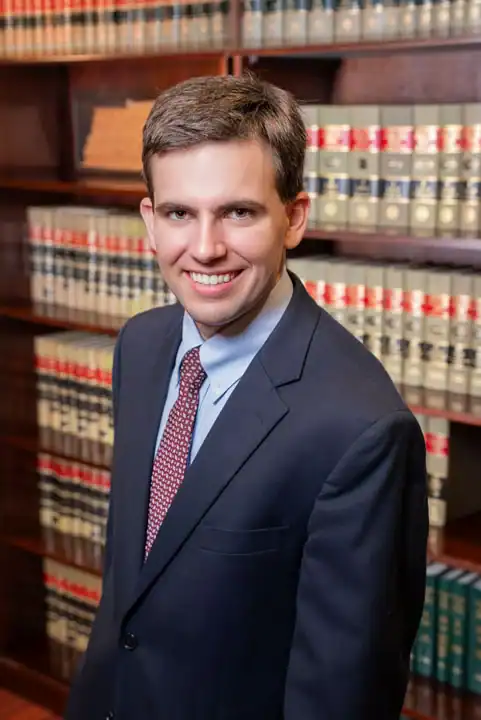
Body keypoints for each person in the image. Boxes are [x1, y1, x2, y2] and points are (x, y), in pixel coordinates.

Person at [65, 73, 428, 720]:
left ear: (293, 218)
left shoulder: (360, 428)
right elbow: (134, 586)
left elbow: (343, 696)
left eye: (237, 211)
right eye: (180, 213)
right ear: (150, 222)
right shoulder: (142, 347)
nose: (204, 249)